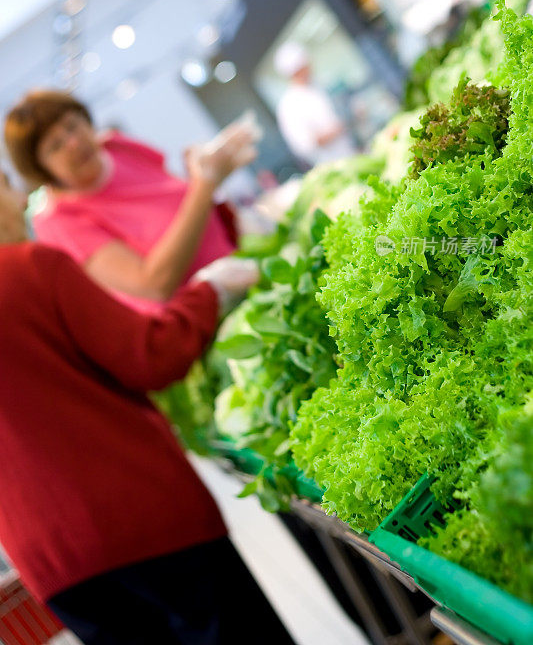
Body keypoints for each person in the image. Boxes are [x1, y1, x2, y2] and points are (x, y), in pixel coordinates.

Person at [0, 176, 296, 645]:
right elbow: (149, 356)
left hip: (52, 563)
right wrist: (209, 292)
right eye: (7, 187)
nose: (20, 202)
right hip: (142, 521)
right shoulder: (33, 267)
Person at [4, 89, 258, 311]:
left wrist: (200, 172)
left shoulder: (117, 147)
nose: (73, 142)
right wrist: (204, 186)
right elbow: (153, 285)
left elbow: (179, 203)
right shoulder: (59, 222)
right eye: (55, 146)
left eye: (72, 126)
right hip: (210, 321)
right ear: (42, 170)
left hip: (243, 268)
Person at [273, 42, 354, 168]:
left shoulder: (316, 86)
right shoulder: (288, 105)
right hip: (330, 165)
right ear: (296, 71)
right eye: (305, 66)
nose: (310, 68)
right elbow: (304, 144)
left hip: (350, 151)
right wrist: (337, 130)